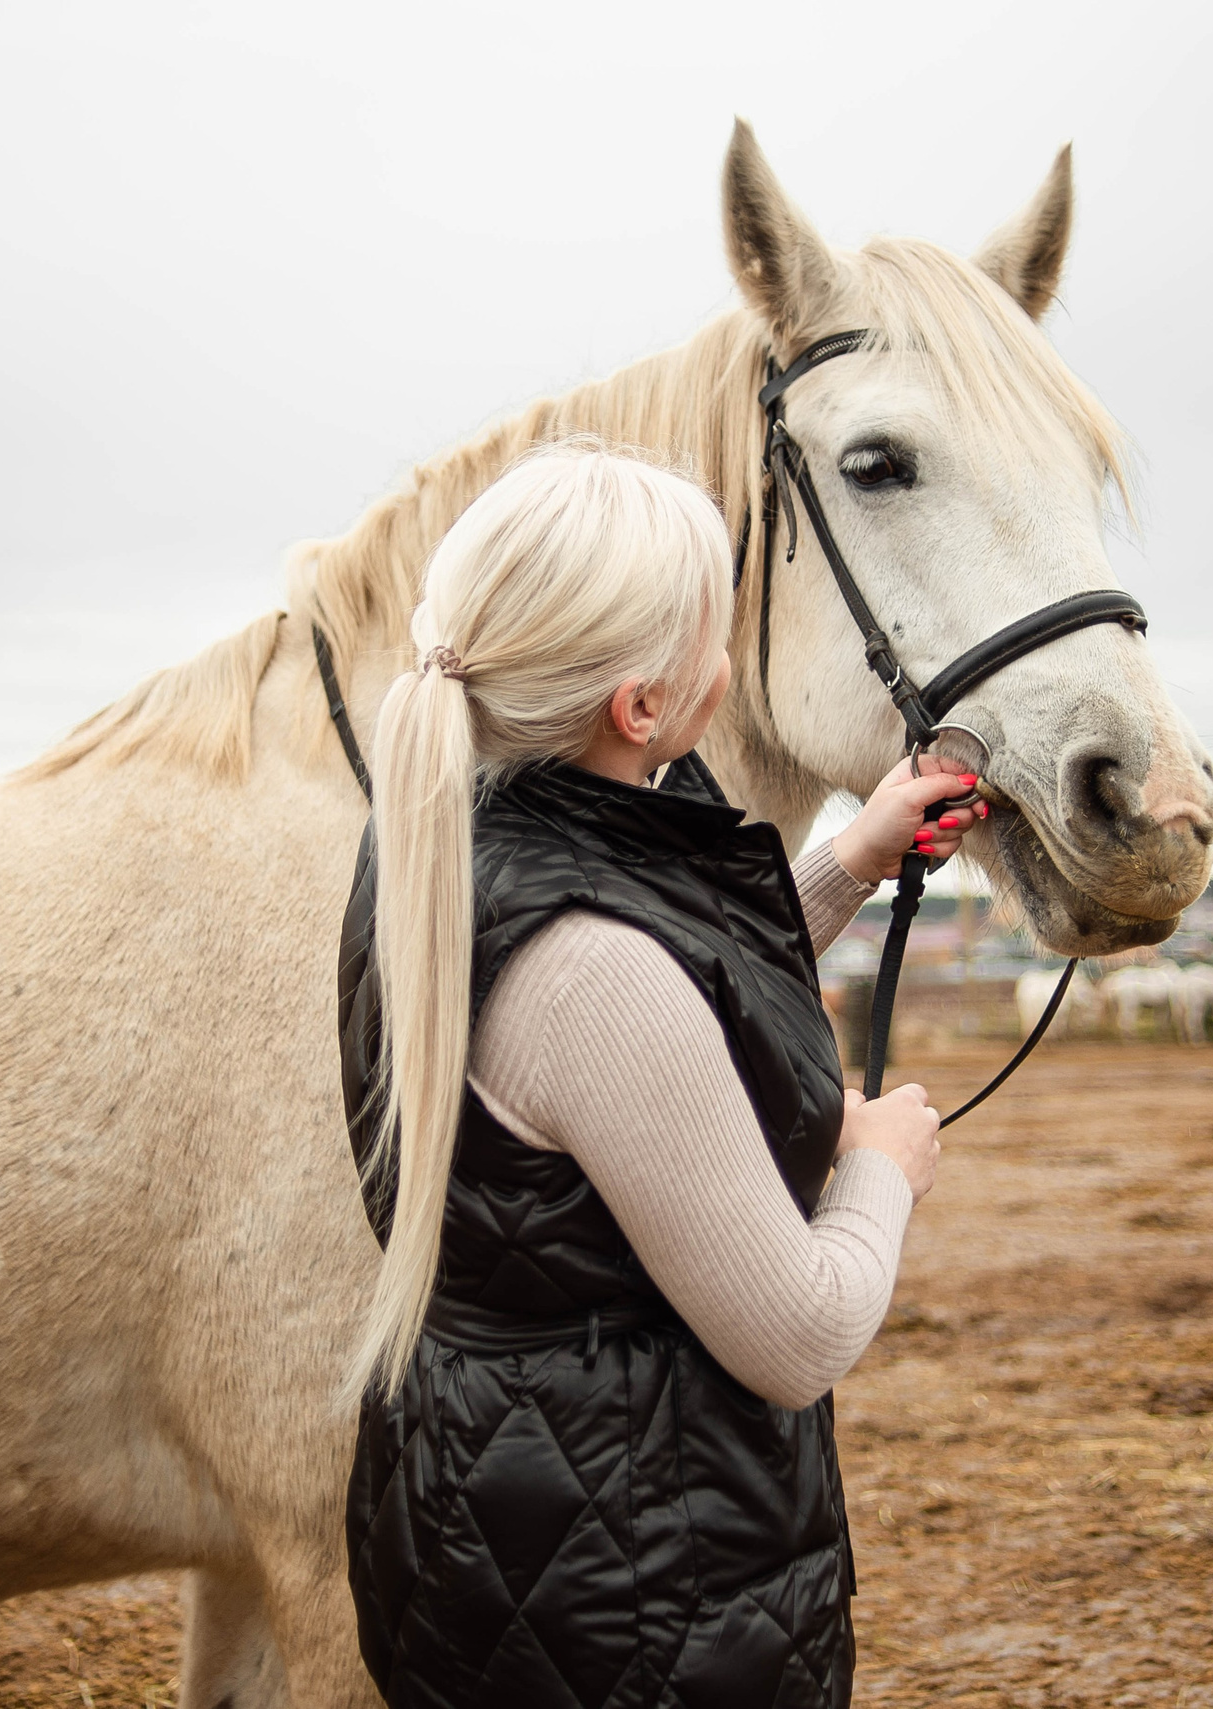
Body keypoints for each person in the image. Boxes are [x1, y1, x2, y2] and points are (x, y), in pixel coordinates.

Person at [338, 442, 980, 1709]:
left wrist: (849, 855)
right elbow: (798, 1333)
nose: (727, 657)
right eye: (713, 628)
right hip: (638, 1589)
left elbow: (661, 1005)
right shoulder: (587, 969)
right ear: (641, 708)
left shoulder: (452, 833)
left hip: (501, 1509)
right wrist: (876, 1171)